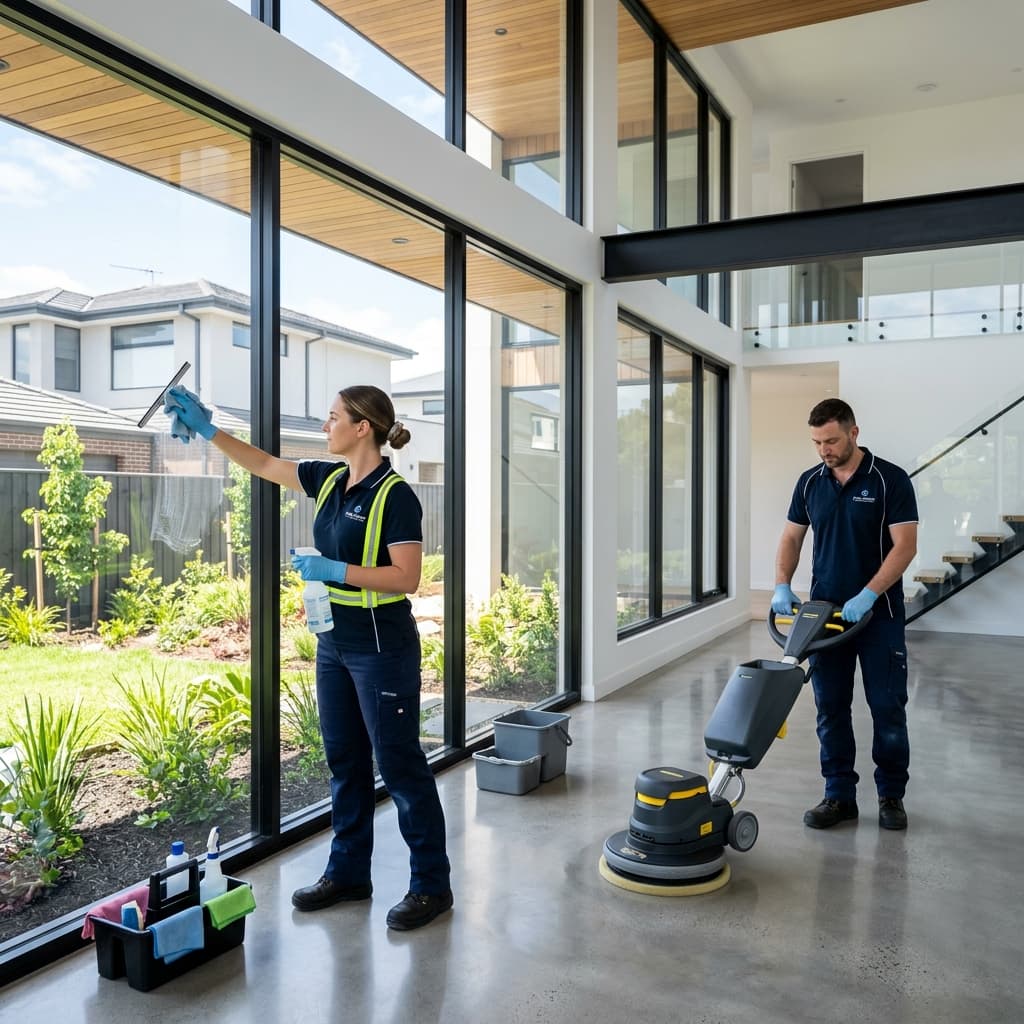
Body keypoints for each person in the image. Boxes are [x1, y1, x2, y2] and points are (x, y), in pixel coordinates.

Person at [164, 382, 453, 930]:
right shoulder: (329, 480)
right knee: (344, 761)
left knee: (398, 765)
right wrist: (209, 430)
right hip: (334, 645)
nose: (326, 427)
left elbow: (407, 577)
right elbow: (267, 464)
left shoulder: (396, 497)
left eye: (333, 417)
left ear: (362, 427)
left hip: (380, 647)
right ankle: (348, 873)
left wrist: (334, 571)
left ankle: (431, 886)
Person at [771, 398, 918, 832]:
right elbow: (791, 538)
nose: (824, 450)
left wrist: (869, 594)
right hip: (825, 618)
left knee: (886, 707)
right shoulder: (809, 482)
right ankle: (839, 797)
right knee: (830, 707)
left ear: (854, 433)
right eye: (817, 442)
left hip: (879, 615)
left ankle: (891, 796)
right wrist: (782, 582)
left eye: (831, 440)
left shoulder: (890, 480)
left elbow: (905, 547)